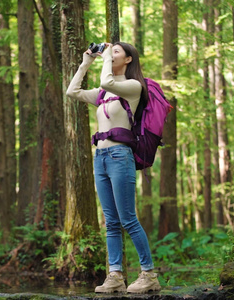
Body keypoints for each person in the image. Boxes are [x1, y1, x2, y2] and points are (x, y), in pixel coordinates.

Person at [66, 42, 161, 294]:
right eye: (111, 51)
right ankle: (115, 275)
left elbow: (109, 82)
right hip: (101, 158)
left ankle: (148, 274)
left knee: (128, 219)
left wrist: (105, 56)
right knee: (111, 222)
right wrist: (86, 62)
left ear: (128, 59)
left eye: (116, 52)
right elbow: (72, 91)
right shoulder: (102, 93)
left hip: (120, 156)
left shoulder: (133, 87)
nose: (111, 54)